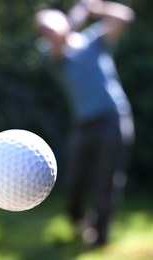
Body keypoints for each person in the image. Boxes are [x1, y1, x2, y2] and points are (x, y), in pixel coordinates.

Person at [35, 0, 135, 246]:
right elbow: (60, 41)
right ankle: (80, 224)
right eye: (44, 31)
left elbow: (125, 16)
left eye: (51, 26)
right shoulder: (52, 55)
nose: (49, 33)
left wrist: (95, 8)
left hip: (113, 118)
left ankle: (100, 236)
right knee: (73, 183)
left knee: (107, 182)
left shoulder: (93, 41)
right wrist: (77, 14)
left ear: (62, 20)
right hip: (83, 125)